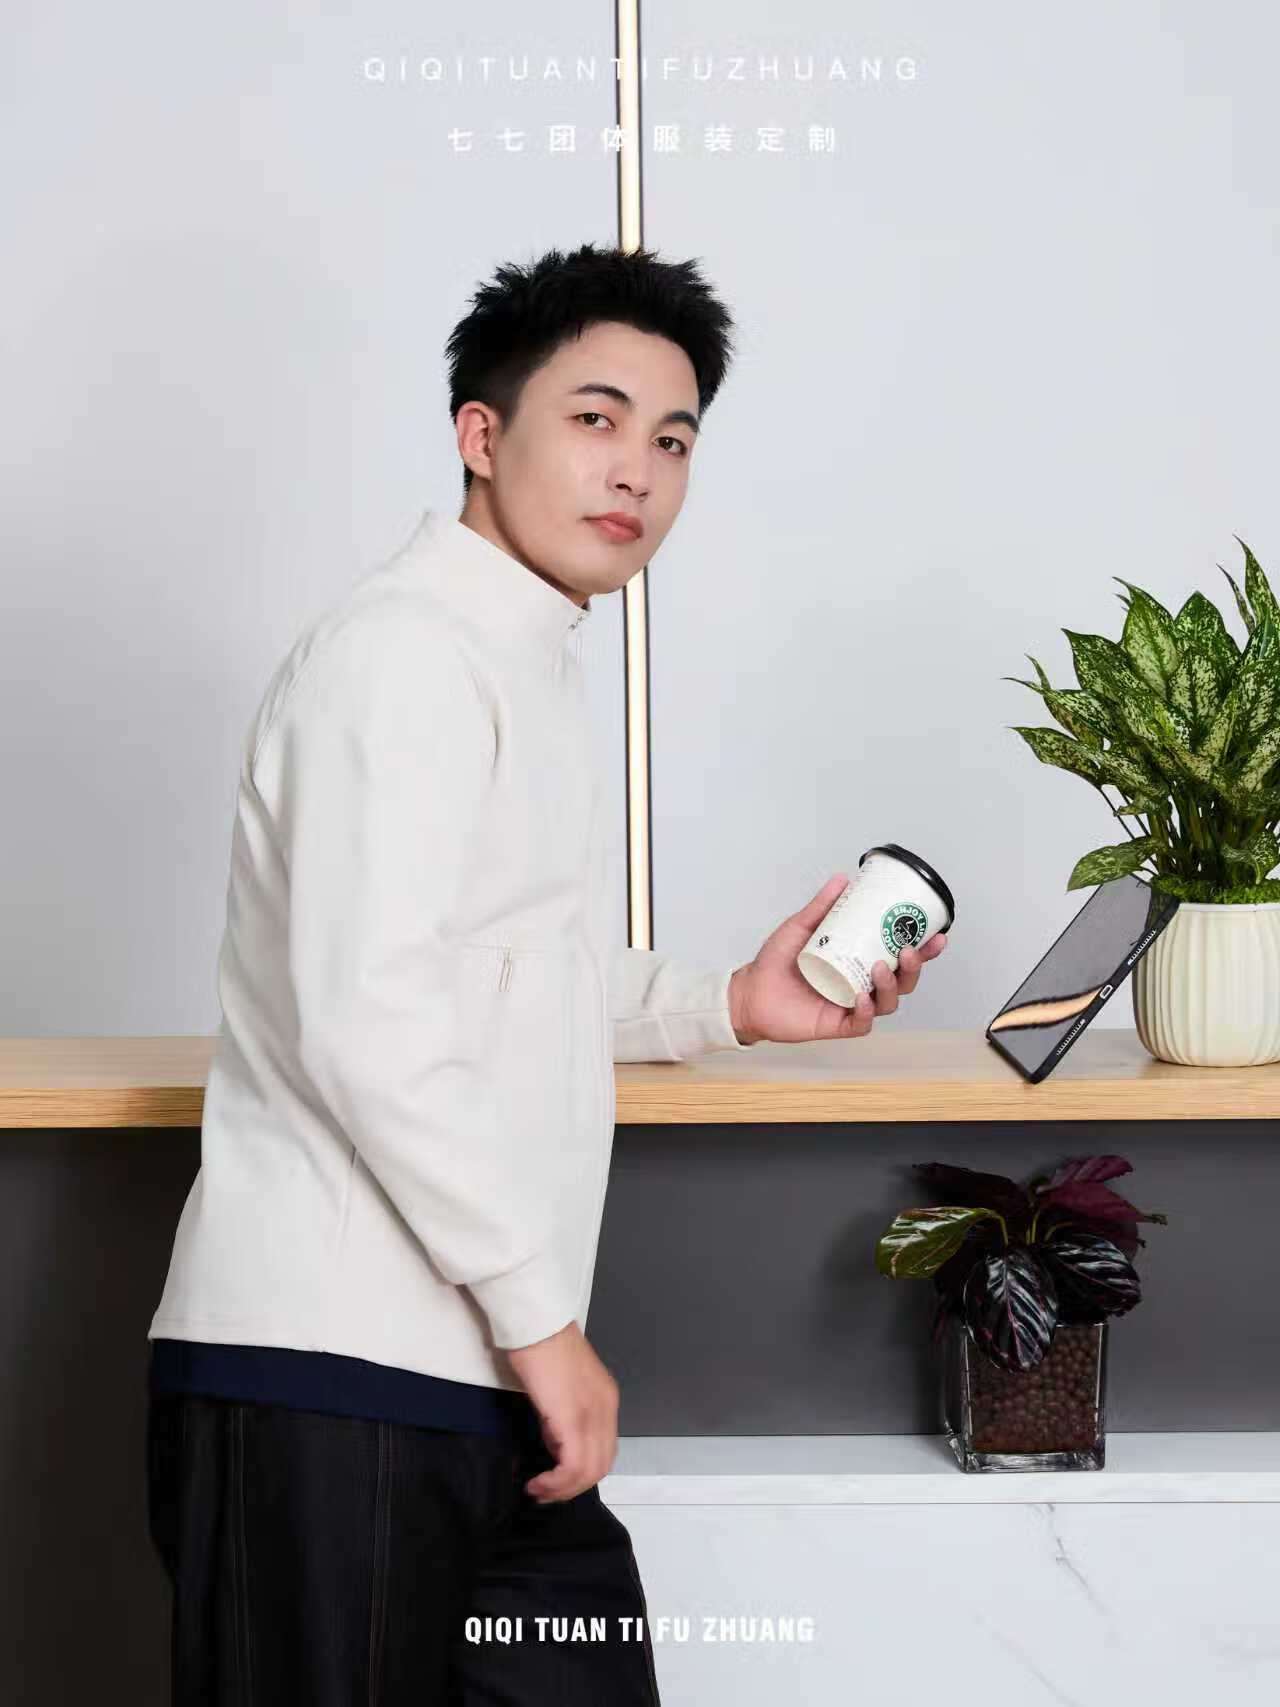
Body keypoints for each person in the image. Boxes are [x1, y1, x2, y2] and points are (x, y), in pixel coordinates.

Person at [144, 241, 947, 1704]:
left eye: (673, 440)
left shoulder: (520, 658)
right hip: (330, 1370)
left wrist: (732, 1006)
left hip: (467, 1384)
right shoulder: (402, 656)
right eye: (595, 418)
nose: (637, 468)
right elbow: (372, 1021)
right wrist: (545, 1325)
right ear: (481, 433)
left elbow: (510, 969)